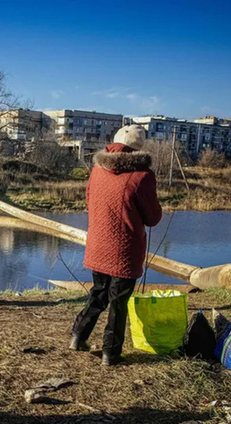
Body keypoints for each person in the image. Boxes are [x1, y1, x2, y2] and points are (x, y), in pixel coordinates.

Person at [70, 124, 162, 365]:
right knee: (118, 303)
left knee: (98, 294)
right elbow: (153, 218)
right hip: (125, 249)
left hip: (98, 243)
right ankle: (110, 354)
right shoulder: (143, 176)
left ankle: (78, 336)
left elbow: (90, 201)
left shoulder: (97, 169)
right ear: (138, 148)